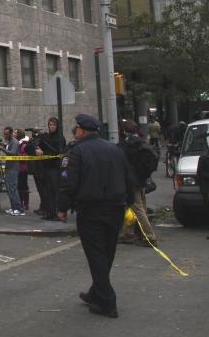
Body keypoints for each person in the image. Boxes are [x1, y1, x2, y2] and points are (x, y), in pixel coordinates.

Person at [58, 113, 134, 319]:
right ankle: (96, 293)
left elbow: (69, 182)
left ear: (81, 131)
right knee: (107, 252)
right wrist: (131, 202)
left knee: (96, 255)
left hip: (91, 210)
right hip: (116, 208)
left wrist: (62, 207)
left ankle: (107, 301)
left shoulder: (78, 151)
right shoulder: (114, 148)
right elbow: (128, 176)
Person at [117, 120, 158, 247]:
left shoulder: (125, 145)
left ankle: (150, 237)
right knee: (134, 208)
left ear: (124, 131)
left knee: (137, 208)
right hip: (141, 181)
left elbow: (121, 163)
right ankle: (127, 234)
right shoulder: (141, 142)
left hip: (130, 182)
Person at [37, 117, 67, 221]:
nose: (52, 127)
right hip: (46, 166)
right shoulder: (47, 137)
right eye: (50, 125)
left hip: (55, 167)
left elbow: (58, 152)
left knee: (56, 190)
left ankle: (58, 213)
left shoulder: (60, 138)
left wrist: (43, 153)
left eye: (53, 125)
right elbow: (38, 145)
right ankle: (50, 212)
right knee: (48, 190)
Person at [2, 127, 24, 216]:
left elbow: (13, 153)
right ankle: (14, 207)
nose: (5, 135)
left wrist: (2, 149)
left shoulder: (14, 142)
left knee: (13, 188)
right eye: (4, 133)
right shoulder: (9, 142)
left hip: (13, 168)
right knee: (9, 188)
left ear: (11, 133)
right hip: (9, 167)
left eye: (6, 133)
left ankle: (19, 208)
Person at [17, 129, 31, 211]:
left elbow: (25, 156)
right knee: (19, 186)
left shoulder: (24, 145)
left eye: (15, 133)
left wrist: (17, 155)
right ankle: (21, 202)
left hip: (23, 168)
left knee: (24, 186)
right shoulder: (19, 144)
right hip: (18, 168)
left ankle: (25, 204)